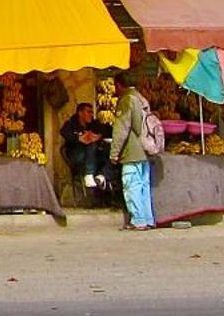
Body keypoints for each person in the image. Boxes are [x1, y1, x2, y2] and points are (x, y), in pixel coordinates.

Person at [107, 77, 155, 230]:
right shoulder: (142, 99)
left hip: (132, 152)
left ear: (119, 85)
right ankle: (148, 219)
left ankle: (138, 220)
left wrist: (114, 153)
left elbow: (121, 129)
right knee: (143, 186)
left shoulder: (127, 100)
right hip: (145, 151)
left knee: (131, 186)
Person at [59, 102, 113, 191]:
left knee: (111, 150)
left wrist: (98, 136)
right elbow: (64, 132)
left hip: (93, 156)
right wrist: (79, 138)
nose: (91, 115)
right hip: (77, 155)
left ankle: (102, 176)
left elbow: (108, 129)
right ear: (80, 113)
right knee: (90, 143)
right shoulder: (71, 124)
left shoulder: (94, 124)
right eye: (88, 112)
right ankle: (89, 174)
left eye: (92, 112)